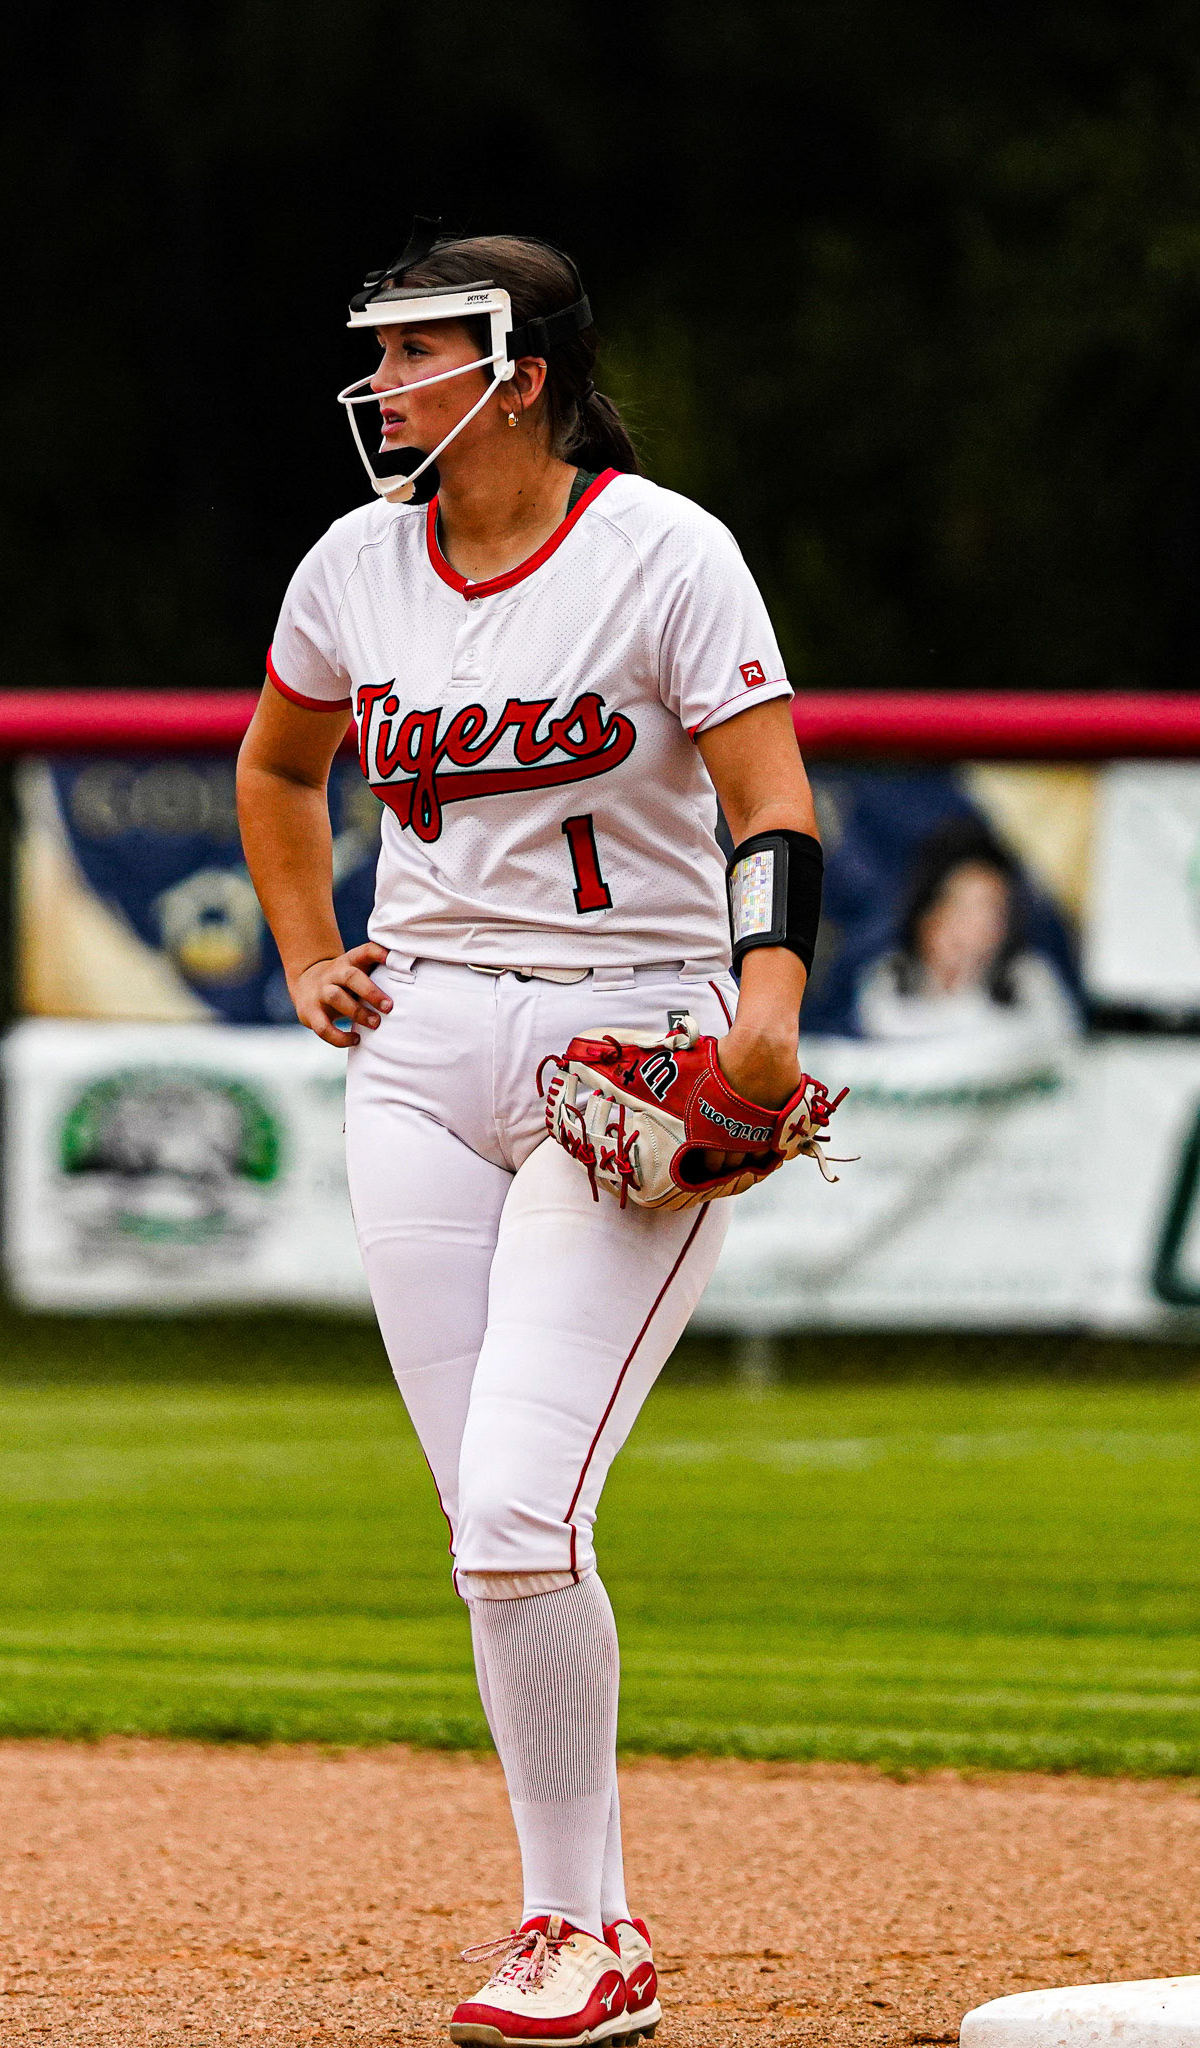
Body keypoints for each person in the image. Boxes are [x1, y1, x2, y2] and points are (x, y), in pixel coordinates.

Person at [237, 225, 821, 2047]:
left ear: (523, 372)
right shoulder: (354, 562)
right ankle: (580, 1916)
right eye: (382, 352)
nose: (384, 382)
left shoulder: (662, 548)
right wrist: (306, 948)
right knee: (485, 1524)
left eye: (417, 350)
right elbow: (278, 765)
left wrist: (766, 1009)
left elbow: (771, 800)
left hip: (624, 1041)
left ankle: (583, 1926)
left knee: (515, 1508)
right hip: (417, 1051)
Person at [856, 815, 1079, 1048]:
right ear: (927, 913)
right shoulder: (888, 979)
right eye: (963, 907)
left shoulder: (1031, 981)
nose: (979, 926)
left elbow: (1057, 1046)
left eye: (993, 911)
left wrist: (970, 978)